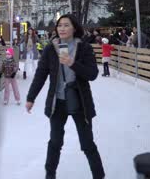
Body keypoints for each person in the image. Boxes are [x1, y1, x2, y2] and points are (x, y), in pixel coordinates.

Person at [25, 14, 105, 179]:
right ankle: (50, 175)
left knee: (87, 144)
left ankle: (99, 175)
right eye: (59, 25)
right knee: (55, 142)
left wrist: (72, 63)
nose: (61, 28)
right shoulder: (50, 48)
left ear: (74, 28)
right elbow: (41, 74)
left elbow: (92, 74)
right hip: (57, 103)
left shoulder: (84, 48)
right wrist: (31, 97)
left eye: (66, 25)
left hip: (80, 101)